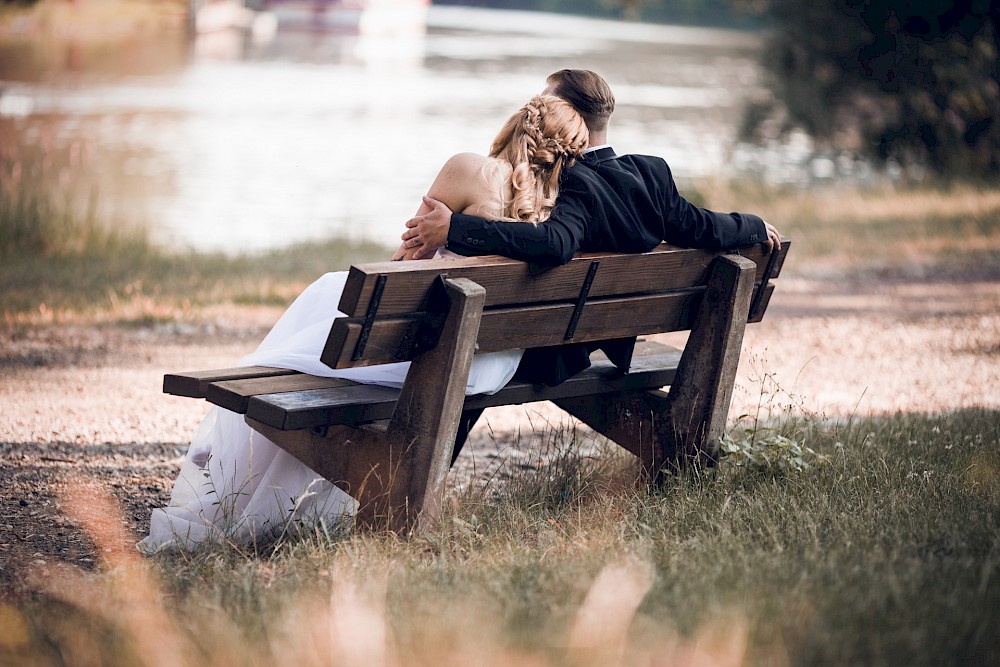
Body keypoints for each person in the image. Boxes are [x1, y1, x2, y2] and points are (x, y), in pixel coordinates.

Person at [138, 94, 590, 553]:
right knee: (320, 332)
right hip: (488, 367)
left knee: (297, 341)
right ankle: (292, 506)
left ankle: (237, 499)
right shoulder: (566, 210)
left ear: (516, 126)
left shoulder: (471, 170)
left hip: (414, 350)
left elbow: (406, 259)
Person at [400, 69, 782, 386]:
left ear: (565, 114)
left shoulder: (567, 180)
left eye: (547, 100)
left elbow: (555, 244)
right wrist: (752, 225)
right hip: (602, 335)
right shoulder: (651, 173)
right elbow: (701, 226)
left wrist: (455, 228)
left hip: (549, 346)